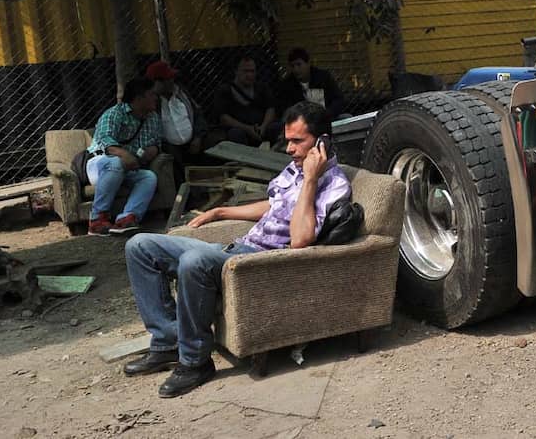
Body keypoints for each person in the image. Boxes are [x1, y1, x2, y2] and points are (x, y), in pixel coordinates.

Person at [122, 101, 351, 398]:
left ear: (322, 142)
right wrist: (221, 212)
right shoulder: (293, 170)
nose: (289, 149)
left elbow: (300, 239)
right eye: (288, 140)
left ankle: (195, 363)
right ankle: (168, 343)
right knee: (140, 245)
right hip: (236, 247)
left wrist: (311, 179)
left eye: (298, 141)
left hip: (260, 262)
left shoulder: (333, 185)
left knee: (195, 260)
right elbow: (275, 206)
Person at [86, 77, 163, 236]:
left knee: (148, 176)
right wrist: (125, 155)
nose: (156, 97)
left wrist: (153, 150)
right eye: (151, 94)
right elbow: (105, 141)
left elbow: (157, 143)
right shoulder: (114, 114)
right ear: (139, 97)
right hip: (100, 164)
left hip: (129, 167)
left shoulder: (153, 117)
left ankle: (127, 219)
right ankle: (97, 220)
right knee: (116, 162)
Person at [145, 60, 208, 186]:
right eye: (167, 79)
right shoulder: (150, 103)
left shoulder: (182, 93)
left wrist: (198, 137)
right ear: (157, 83)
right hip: (169, 146)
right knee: (173, 156)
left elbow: (198, 114)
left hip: (192, 141)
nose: (171, 81)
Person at [211, 55, 280, 146]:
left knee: (278, 127)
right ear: (236, 71)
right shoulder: (225, 90)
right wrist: (248, 129)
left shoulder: (261, 88)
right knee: (235, 133)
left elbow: (270, 108)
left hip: (261, 128)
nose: (249, 75)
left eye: (252, 71)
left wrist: (264, 126)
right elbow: (224, 118)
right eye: (245, 71)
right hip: (241, 130)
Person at [277, 47, 346, 120]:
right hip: (302, 122)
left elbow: (339, 99)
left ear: (308, 63)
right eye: (292, 66)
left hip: (326, 117)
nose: (296, 69)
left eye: (299, 64)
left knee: (347, 117)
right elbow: (285, 108)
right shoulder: (288, 84)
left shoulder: (323, 77)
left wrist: (327, 113)